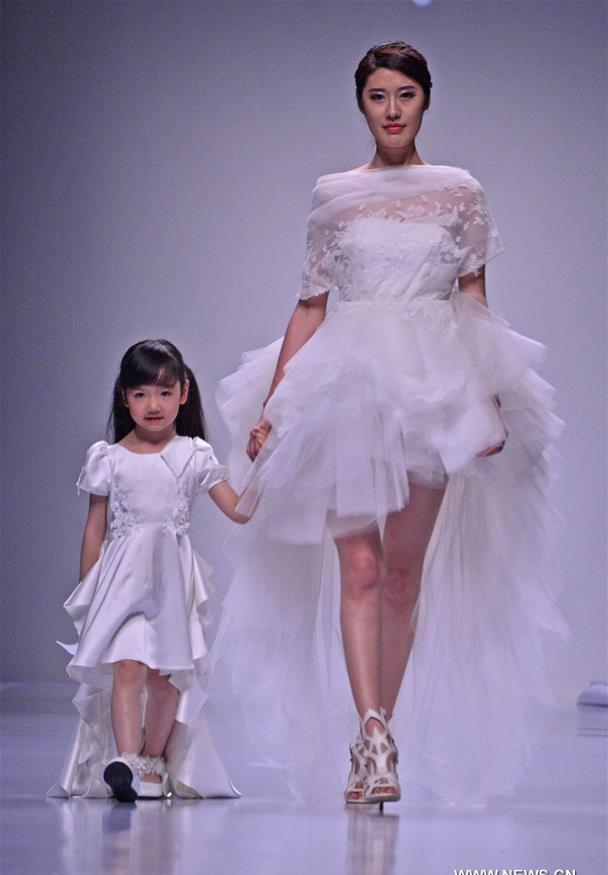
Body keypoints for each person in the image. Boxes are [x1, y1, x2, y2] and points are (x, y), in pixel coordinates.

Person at [210, 42, 569, 806]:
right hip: (345, 387)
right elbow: (312, 302)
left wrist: (490, 393)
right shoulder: (333, 194)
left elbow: (472, 301)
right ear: (362, 105)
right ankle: (373, 737)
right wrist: (276, 406)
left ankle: (383, 729)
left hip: (432, 385)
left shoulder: (460, 191)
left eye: (406, 94)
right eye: (379, 96)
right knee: (362, 568)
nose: (394, 109)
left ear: (427, 100)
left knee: (403, 574)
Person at [48, 339, 248, 802]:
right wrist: (89, 588)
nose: (152, 405)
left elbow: (238, 510)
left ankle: (153, 761)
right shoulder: (108, 457)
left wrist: (272, 465)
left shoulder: (193, 454)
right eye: (140, 394)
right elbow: (96, 525)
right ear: (124, 398)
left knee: (164, 676)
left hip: (170, 584)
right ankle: (126, 759)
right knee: (128, 668)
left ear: (184, 392)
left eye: (163, 392)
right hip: (120, 583)